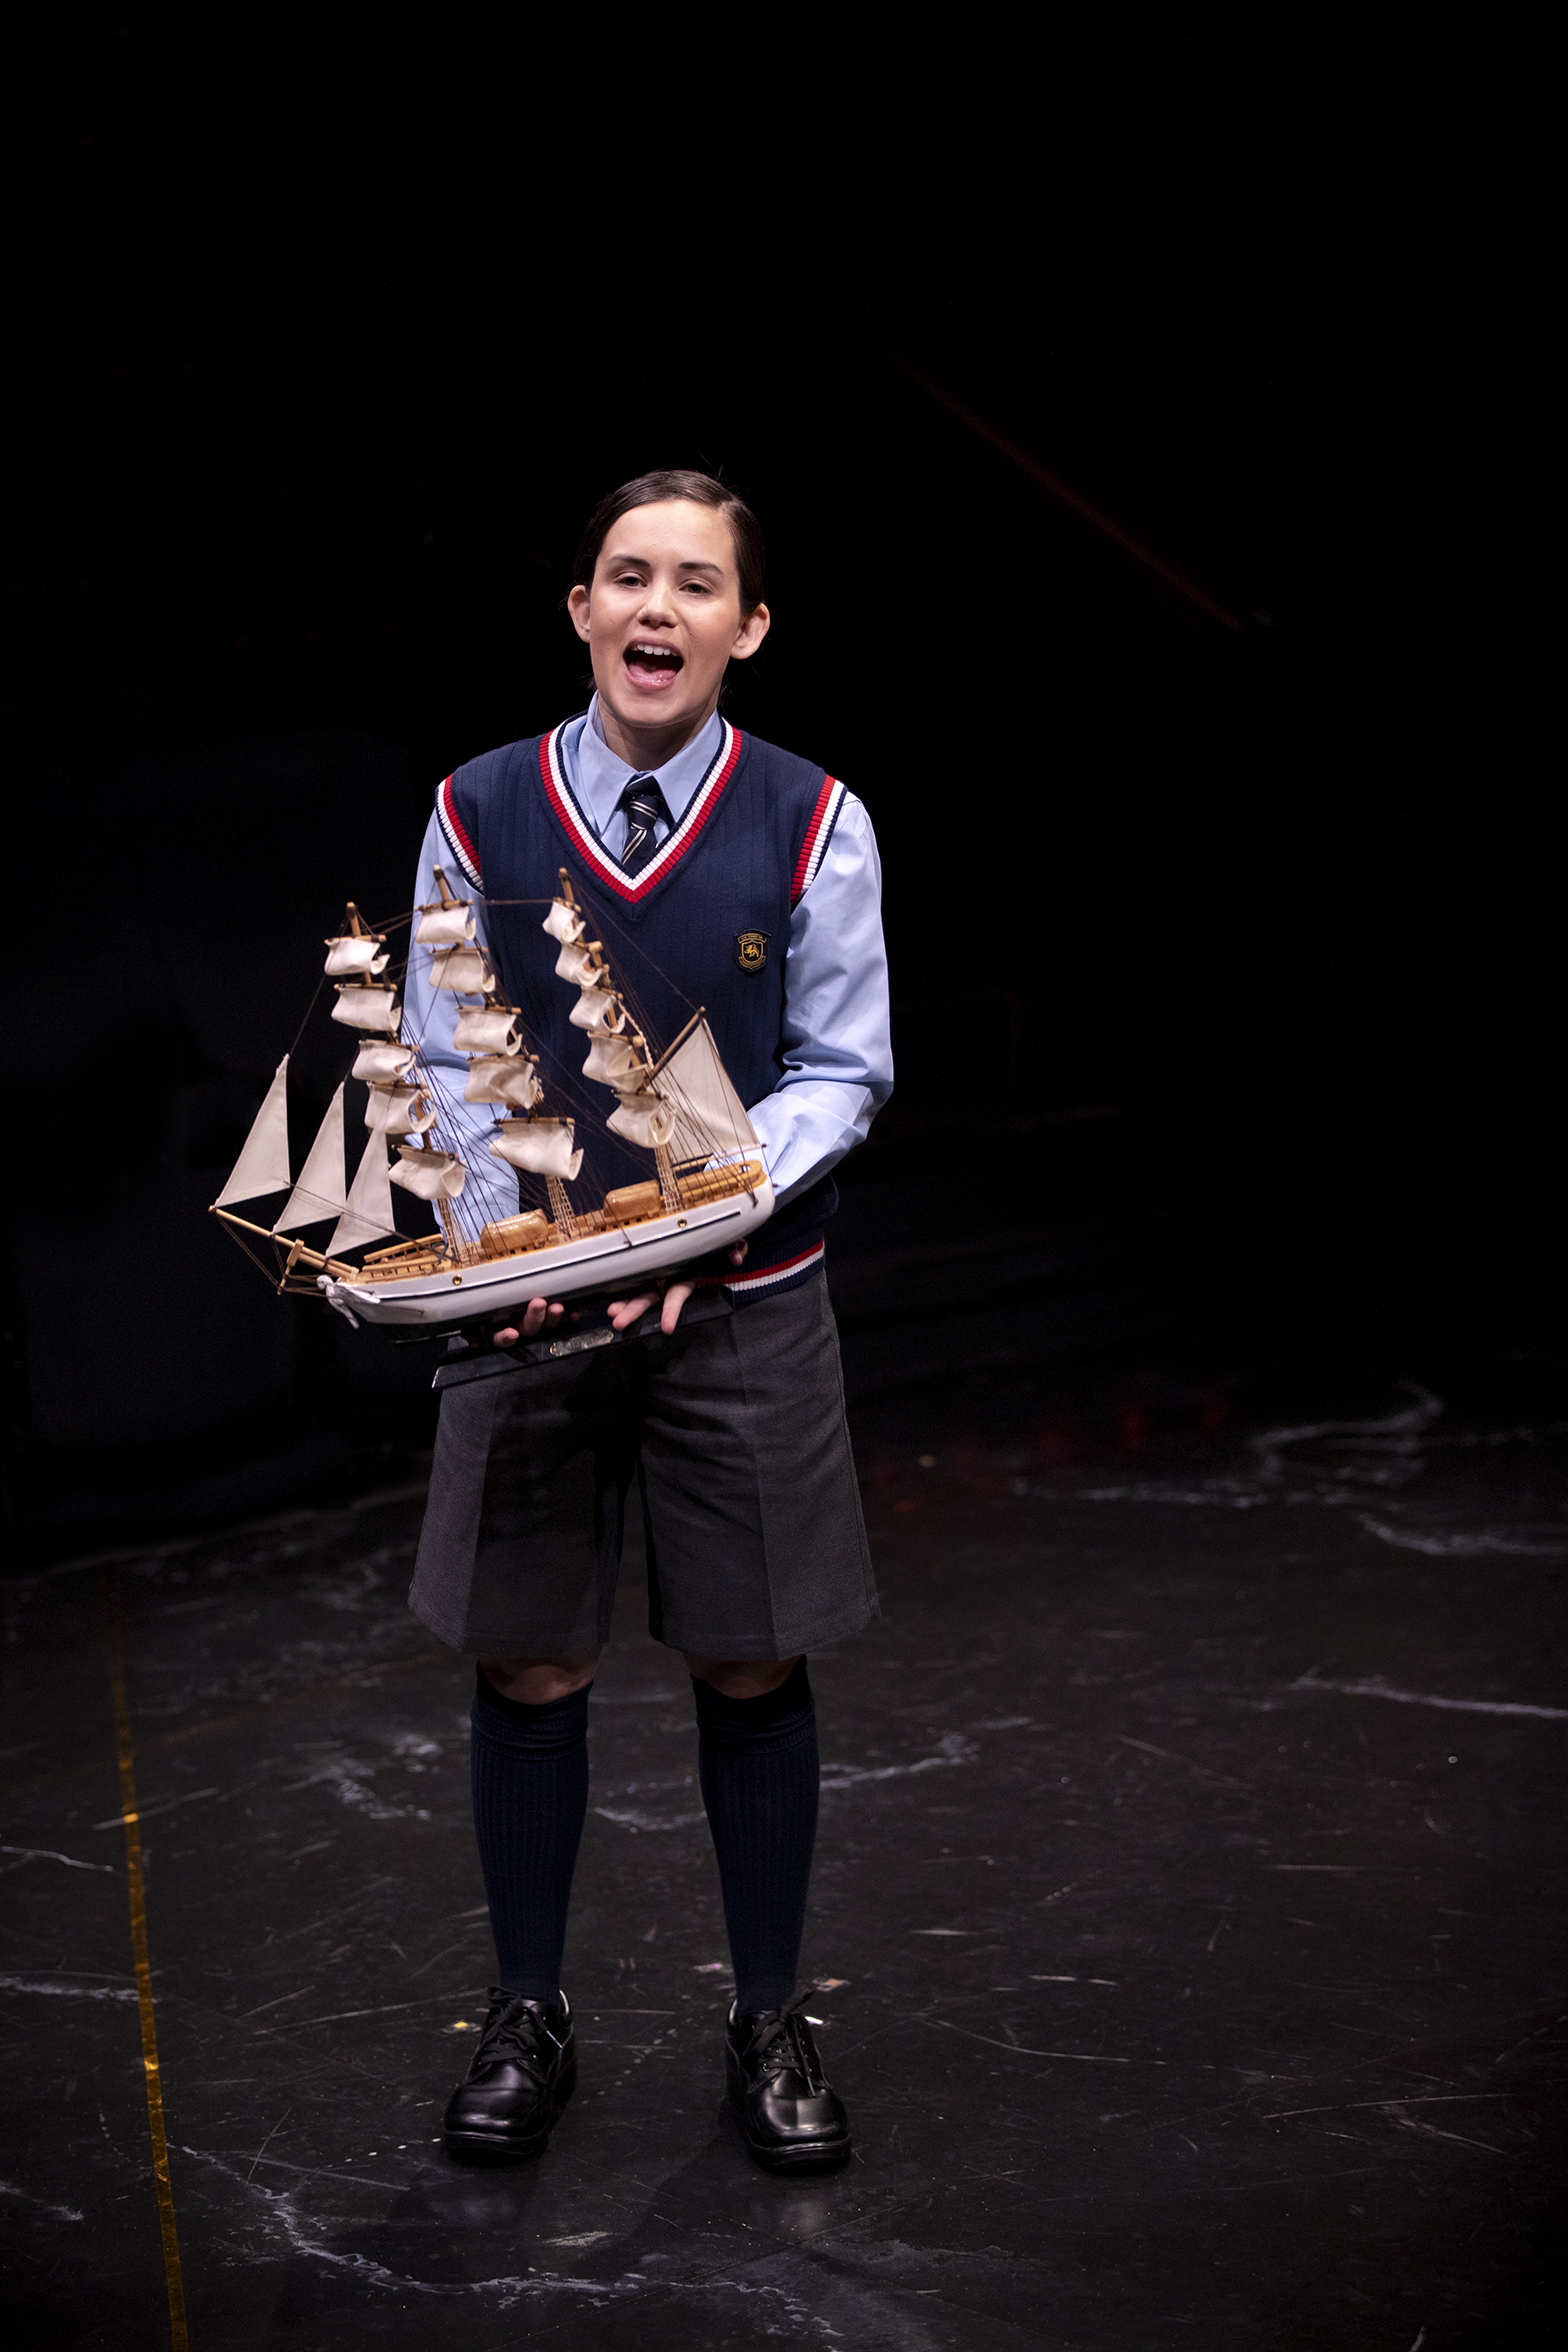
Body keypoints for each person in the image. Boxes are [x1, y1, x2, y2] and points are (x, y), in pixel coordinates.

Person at [401, 470, 891, 2172]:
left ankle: (768, 2015)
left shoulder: (812, 820)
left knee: (753, 1653)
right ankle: (526, 2012)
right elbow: (446, 1056)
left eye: (695, 583)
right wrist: (528, 1237)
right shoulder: (477, 808)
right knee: (529, 1655)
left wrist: (703, 1210)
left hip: (744, 1306)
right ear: (582, 609)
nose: (656, 608)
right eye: (628, 576)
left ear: (746, 626)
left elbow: (840, 1070)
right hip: (533, 1307)